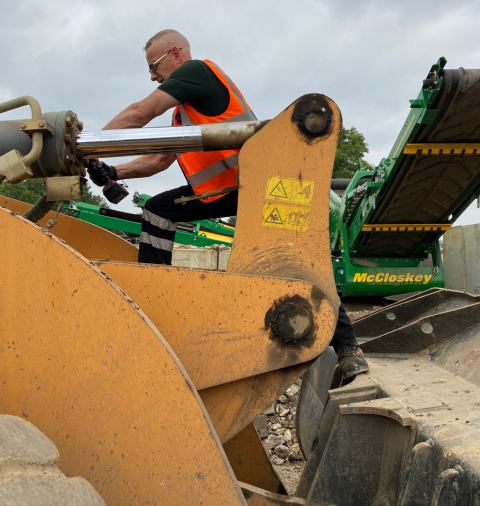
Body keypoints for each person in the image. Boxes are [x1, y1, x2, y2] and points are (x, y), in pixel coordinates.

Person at [87, 28, 368, 380]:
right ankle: (154, 296)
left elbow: (140, 112)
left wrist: (87, 146)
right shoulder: (184, 114)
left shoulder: (197, 72)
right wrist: (113, 169)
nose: (152, 75)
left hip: (263, 183)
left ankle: (348, 350)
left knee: (292, 260)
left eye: (154, 65)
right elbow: (158, 162)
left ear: (176, 53)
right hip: (230, 191)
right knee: (158, 209)